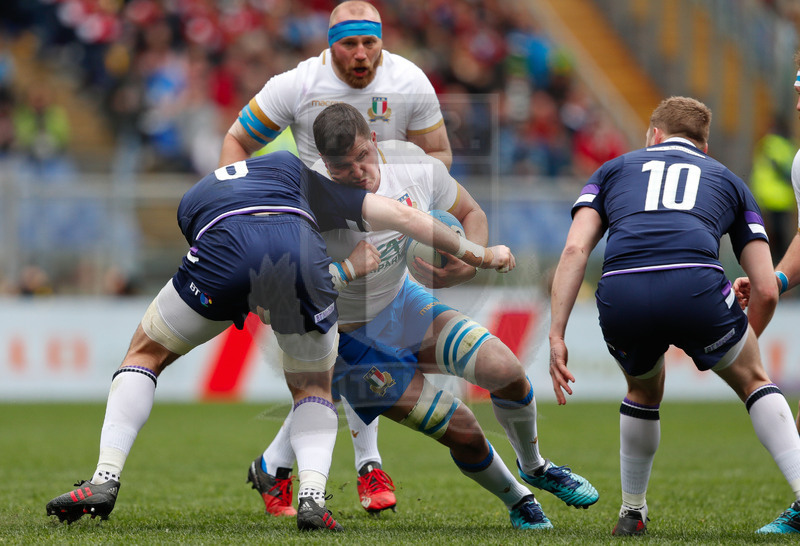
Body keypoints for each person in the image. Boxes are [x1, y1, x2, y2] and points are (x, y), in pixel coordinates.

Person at [45, 149, 513, 532]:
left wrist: (245, 296)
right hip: (300, 259)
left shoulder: (194, 194)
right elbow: (402, 217)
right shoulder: (300, 175)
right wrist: (482, 254)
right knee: (314, 387)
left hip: (218, 250)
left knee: (145, 354)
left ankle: (106, 477)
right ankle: (311, 496)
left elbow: (204, 239)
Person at [245, 103, 597, 528]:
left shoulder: (413, 165)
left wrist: (466, 264)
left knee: (506, 369)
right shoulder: (307, 200)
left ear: (373, 141)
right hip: (351, 345)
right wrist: (340, 275)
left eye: (362, 157)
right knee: (462, 427)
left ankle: (536, 466)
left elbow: (471, 214)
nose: (357, 172)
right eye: (342, 167)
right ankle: (518, 500)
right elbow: (275, 293)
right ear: (324, 163)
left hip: (404, 303)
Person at [222, 0, 452, 513]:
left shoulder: (410, 81)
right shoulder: (297, 85)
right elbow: (237, 140)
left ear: (381, 41)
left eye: (370, 42)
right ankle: (365, 466)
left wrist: (414, 209)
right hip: (313, 241)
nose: (361, 54)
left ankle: (275, 467)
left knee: (344, 355)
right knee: (346, 351)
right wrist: (239, 218)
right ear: (331, 44)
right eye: (350, 43)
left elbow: (440, 157)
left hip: (383, 236)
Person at [548, 96, 800, 536]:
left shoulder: (612, 170)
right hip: (696, 287)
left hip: (621, 292)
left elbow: (574, 249)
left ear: (653, 135)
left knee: (643, 390)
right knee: (754, 380)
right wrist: (741, 343)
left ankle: (632, 511)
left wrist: (556, 333)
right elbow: (763, 286)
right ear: (704, 148)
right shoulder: (727, 179)